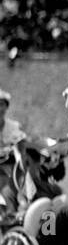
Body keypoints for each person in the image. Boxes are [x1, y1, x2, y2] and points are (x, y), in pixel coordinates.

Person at [0, 88, 26, 220]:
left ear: (6, 107)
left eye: (1, 104)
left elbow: (21, 145)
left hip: (11, 171)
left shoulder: (14, 127)